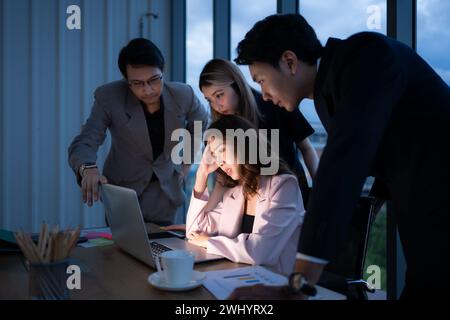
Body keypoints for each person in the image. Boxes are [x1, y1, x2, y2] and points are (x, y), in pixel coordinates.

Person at [232, 13, 450, 299]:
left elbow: (344, 162)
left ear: (289, 61)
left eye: (261, 80)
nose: (265, 95)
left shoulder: (367, 55)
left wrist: (296, 287)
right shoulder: (327, 93)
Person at [68, 38, 209, 226]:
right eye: (138, 83)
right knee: (120, 252)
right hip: (123, 194)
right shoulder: (109, 97)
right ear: (126, 81)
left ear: (162, 71)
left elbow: (201, 123)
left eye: (154, 80)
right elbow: (86, 140)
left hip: (165, 193)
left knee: (161, 250)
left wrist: (186, 163)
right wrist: (88, 168)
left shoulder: (183, 94)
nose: (148, 90)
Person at [186, 115, 304, 275]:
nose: (219, 162)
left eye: (222, 151)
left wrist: (209, 241)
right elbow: (194, 232)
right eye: (215, 155)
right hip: (239, 274)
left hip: (276, 282)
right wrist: (202, 174)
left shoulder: (283, 185)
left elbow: (260, 252)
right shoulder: (235, 191)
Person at [199, 58, 318, 201]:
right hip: (250, 204)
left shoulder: (275, 102)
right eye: (209, 100)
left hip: (292, 196)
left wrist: (321, 190)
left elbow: (306, 148)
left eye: (219, 95)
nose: (216, 105)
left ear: (237, 84)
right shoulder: (220, 129)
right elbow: (223, 180)